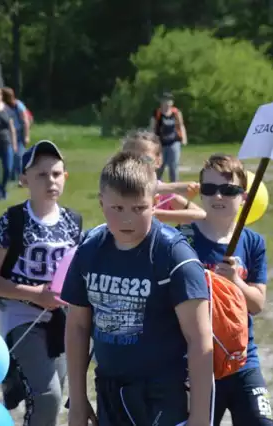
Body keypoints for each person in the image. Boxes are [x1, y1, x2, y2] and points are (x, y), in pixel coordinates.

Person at [62, 151, 213, 426]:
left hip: (163, 394)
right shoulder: (89, 251)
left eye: (138, 208)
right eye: (117, 209)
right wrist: (78, 401)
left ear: (155, 204)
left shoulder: (175, 256)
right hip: (110, 391)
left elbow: (200, 340)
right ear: (101, 202)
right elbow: (77, 327)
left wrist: (201, 417)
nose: (127, 219)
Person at [0, 140, 81, 426]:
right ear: (24, 180)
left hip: (60, 319)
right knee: (47, 395)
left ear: (65, 177)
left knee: (51, 393)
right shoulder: (12, 221)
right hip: (21, 316)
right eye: (41, 174)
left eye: (56, 173)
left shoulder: (73, 221)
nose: (50, 180)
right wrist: (35, 294)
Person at [178, 154, 273, 426]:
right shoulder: (182, 238)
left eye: (228, 190)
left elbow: (257, 304)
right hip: (196, 362)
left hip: (243, 359)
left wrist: (236, 282)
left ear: (244, 196)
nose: (217, 196)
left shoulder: (253, 243)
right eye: (208, 189)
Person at [120, 129, 205, 224]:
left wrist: (160, 214)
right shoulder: (116, 186)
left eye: (144, 159)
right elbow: (139, 189)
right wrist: (174, 188)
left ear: (158, 161)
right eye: (128, 159)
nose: (136, 164)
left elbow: (203, 217)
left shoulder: (165, 196)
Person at [150, 92, 188, 183]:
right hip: (160, 143)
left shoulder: (176, 112)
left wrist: (184, 138)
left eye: (169, 100)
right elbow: (152, 127)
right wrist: (151, 140)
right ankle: (157, 185)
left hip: (174, 142)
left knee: (173, 165)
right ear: (161, 102)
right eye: (165, 100)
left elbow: (181, 125)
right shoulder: (157, 113)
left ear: (172, 102)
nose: (167, 103)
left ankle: (174, 186)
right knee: (160, 166)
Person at [2, 87, 31, 182]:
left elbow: (26, 121)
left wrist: (26, 136)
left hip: (19, 133)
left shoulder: (18, 105)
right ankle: (14, 176)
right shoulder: (3, 106)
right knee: (12, 156)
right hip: (8, 133)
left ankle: (22, 176)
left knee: (19, 155)